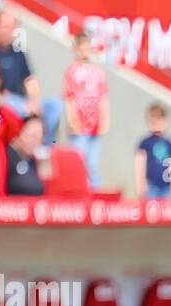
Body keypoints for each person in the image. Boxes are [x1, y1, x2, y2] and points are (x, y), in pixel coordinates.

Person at [0, 10, 61, 144]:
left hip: (21, 101)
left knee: (56, 106)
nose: (7, 31)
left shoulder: (18, 52)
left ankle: (43, 147)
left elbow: (29, 80)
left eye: (11, 28)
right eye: (4, 26)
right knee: (11, 102)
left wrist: (34, 101)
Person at [63, 32, 108, 189]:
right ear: (75, 49)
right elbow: (68, 98)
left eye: (87, 48)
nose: (84, 52)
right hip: (79, 126)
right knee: (79, 163)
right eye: (81, 48)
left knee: (93, 164)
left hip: (94, 125)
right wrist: (71, 120)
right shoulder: (72, 71)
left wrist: (105, 120)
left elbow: (103, 97)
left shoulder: (98, 71)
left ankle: (95, 194)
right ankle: (78, 193)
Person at [135, 103, 171, 199]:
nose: (156, 123)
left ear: (166, 121)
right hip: (150, 187)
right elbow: (139, 164)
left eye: (159, 119)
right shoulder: (145, 143)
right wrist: (140, 185)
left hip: (166, 188)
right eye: (152, 120)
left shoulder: (169, 143)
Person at [6, 115, 46, 196]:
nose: (33, 142)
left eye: (38, 138)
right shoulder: (6, 157)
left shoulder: (35, 161)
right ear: (19, 133)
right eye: (31, 136)